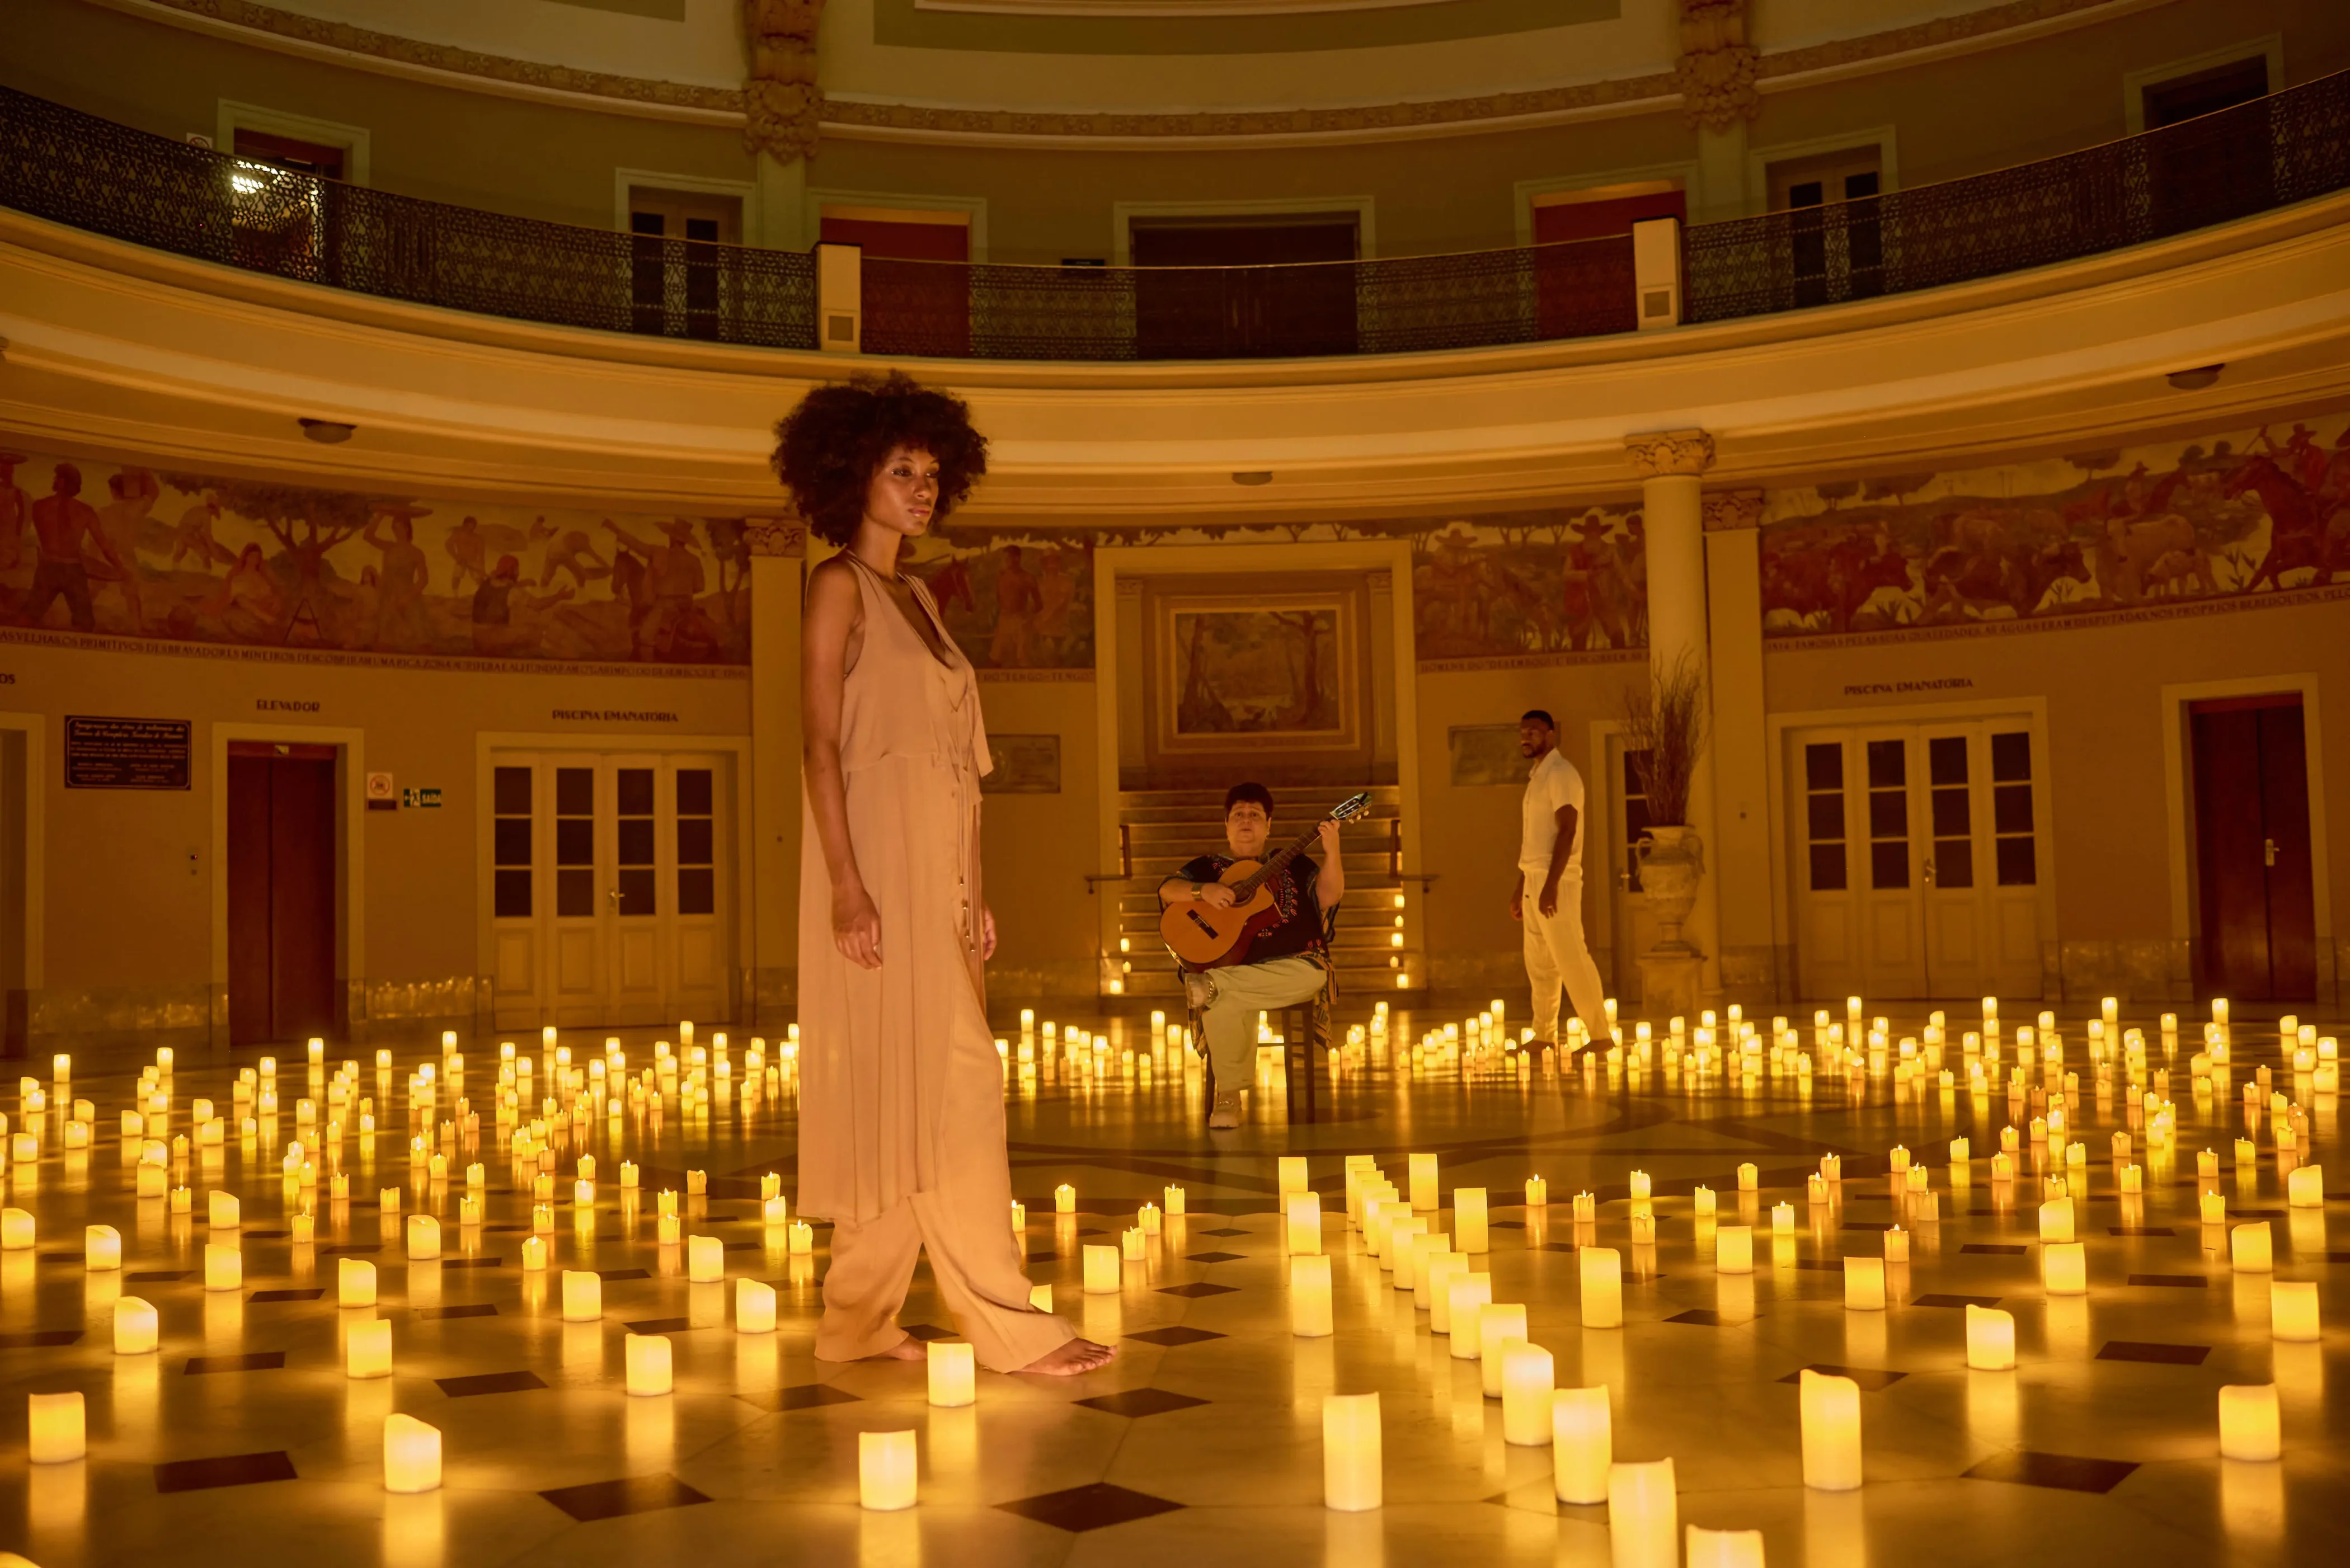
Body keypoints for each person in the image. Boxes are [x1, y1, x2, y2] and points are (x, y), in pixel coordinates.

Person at [781, 369, 1111, 1379]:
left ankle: (856, 1321)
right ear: (853, 476)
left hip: (940, 879)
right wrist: (846, 883)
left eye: (931, 472)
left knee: (905, 1091)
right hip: (874, 868)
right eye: (901, 469)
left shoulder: (919, 596)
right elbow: (820, 744)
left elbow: (961, 767)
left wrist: (975, 891)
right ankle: (1005, 1322)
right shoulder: (836, 584)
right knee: (960, 1088)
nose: (922, 488)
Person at [1160, 783, 1345, 1130]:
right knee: (1222, 998)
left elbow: (1328, 895)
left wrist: (1332, 851)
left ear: (1269, 825)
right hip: (1232, 964)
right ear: (1227, 825)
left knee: (1309, 975)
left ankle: (1214, 986)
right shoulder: (1208, 867)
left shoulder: (1294, 863)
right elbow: (1167, 889)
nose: (1247, 821)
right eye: (1239, 815)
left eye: (1255, 815)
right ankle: (1229, 1098)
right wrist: (1203, 891)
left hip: (1291, 967)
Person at [1512, 709, 1609, 1052]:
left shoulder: (1561, 774)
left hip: (1559, 880)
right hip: (1536, 878)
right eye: (1524, 732)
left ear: (1551, 735)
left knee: (1570, 957)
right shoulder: (1537, 777)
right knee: (1540, 963)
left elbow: (1567, 831)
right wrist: (1522, 886)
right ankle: (1543, 1035)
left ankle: (1600, 1035)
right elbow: (1535, 839)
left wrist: (1552, 884)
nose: (1527, 737)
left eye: (1534, 732)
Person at [24, 462, 124, 631]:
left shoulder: (40, 507)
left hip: (53, 566)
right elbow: (105, 546)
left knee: (33, 616)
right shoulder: (84, 511)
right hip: (69, 568)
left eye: (57, 478)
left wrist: (118, 569)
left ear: (62, 482)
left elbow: (103, 545)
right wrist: (120, 568)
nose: (54, 480)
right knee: (81, 622)